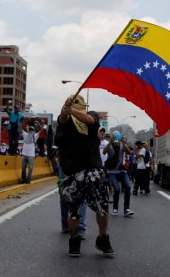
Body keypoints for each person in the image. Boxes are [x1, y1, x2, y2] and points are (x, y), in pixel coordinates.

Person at [56, 94, 114, 258]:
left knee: (102, 208)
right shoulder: (65, 120)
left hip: (93, 170)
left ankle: (102, 238)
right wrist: (66, 110)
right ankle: (74, 240)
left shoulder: (91, 116)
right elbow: (63, 119)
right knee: (73, 210)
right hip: (73, 172)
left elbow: (90, 120)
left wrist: (72, 109)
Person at [103, 131, 134, 217]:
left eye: (117, 137)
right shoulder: (110, 145)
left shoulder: (122, 145)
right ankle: (115, 208)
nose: (116, 139)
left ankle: (126, 209)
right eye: (114, 137)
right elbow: (104, 152)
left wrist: (123, 143)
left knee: (128, 186)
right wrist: (110, 142)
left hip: (121, 171)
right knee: (116, 189)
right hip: (112, 172)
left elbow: (129, 152)